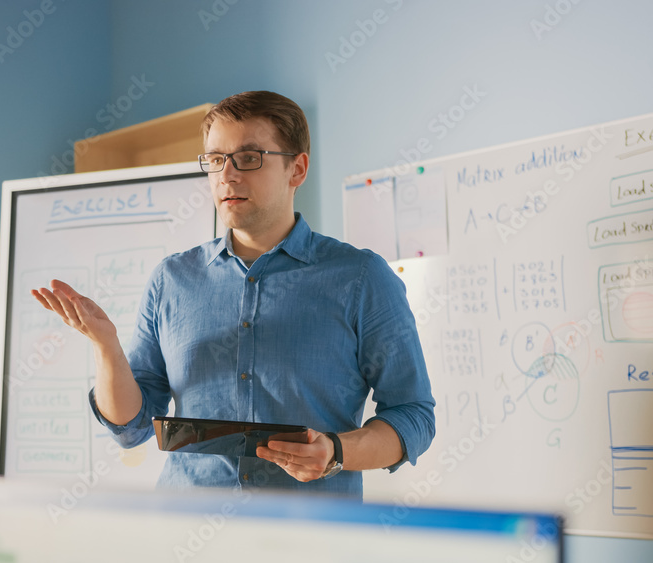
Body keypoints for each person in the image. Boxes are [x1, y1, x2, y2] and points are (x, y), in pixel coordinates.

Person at [32, 91, 435, 495]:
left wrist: (335, 451)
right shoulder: (171, 279)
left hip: (310, 538)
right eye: (215, 159)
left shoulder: (361, 278)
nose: (227, 175)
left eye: (248, 158)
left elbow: (413, 415)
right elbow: (131, 428)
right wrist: (107, 347)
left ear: (297, 169)